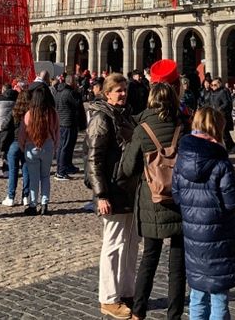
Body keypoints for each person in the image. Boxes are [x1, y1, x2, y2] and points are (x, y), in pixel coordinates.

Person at [172, 106, 235, 320]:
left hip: (193, 234)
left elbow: (176, 196)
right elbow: (233, 202)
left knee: (197, 293)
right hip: (219, 235)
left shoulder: (181, 158)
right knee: (218, 296)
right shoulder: (221, 162)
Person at [120, 80, 186, 320]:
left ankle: (138, 312)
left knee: (149, 258)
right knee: (178, 265)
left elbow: (128, 168)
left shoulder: (143, 128)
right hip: (179, 198)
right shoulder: (182, 125)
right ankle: (174, 315)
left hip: (153, 199)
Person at [84, 73, 138, 320]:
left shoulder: (124, 114)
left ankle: (127, 291)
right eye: (118, 90)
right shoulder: (101, 118)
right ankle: (108, 298)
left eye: (124, 89)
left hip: (129, 188)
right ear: (107, 93)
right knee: (113, 245)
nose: (123, 94)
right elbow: (93, 160)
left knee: (130, 243)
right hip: (113, 189)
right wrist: (101, 194)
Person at [18, 83, 60, 215]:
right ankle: (45, 203)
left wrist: (23, 146)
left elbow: (22, 133)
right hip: (48, 145)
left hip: (31, 147)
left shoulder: (29, 114)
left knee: (33, 178)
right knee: (45, 176)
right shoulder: (52, 113)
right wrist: (55, 147)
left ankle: (33, 204)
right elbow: (57, 131)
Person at [2, 87, 31, 207]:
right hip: (28, 143)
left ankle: (11, 196)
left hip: (14, 143)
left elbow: (4, 125)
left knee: (13, 171)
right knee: (26, 171)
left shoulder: (14, 112)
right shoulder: (31, 113)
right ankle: (26, 196)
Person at [54, 74, 83, 180]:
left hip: (62, 122)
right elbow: (78, 104)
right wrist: (78, 93)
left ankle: (66, 166)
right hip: (68, 123)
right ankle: (61, 172)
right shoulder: (70, 93)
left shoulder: (59, 91)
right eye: (75, 82)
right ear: (72, 82)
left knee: (64, 147)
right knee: (65, 148)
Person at [208, 77, 235, 152]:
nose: (213, 86)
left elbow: (226, 103)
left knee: (223, 131)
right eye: (212, 85)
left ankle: (229, 146)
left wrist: (219, 109)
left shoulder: (222, 92)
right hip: (214, 114)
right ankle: (229, 144)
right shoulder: (212, 93)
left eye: (215, 85)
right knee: (222, 131)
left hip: (222, 115)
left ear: (219, 84)